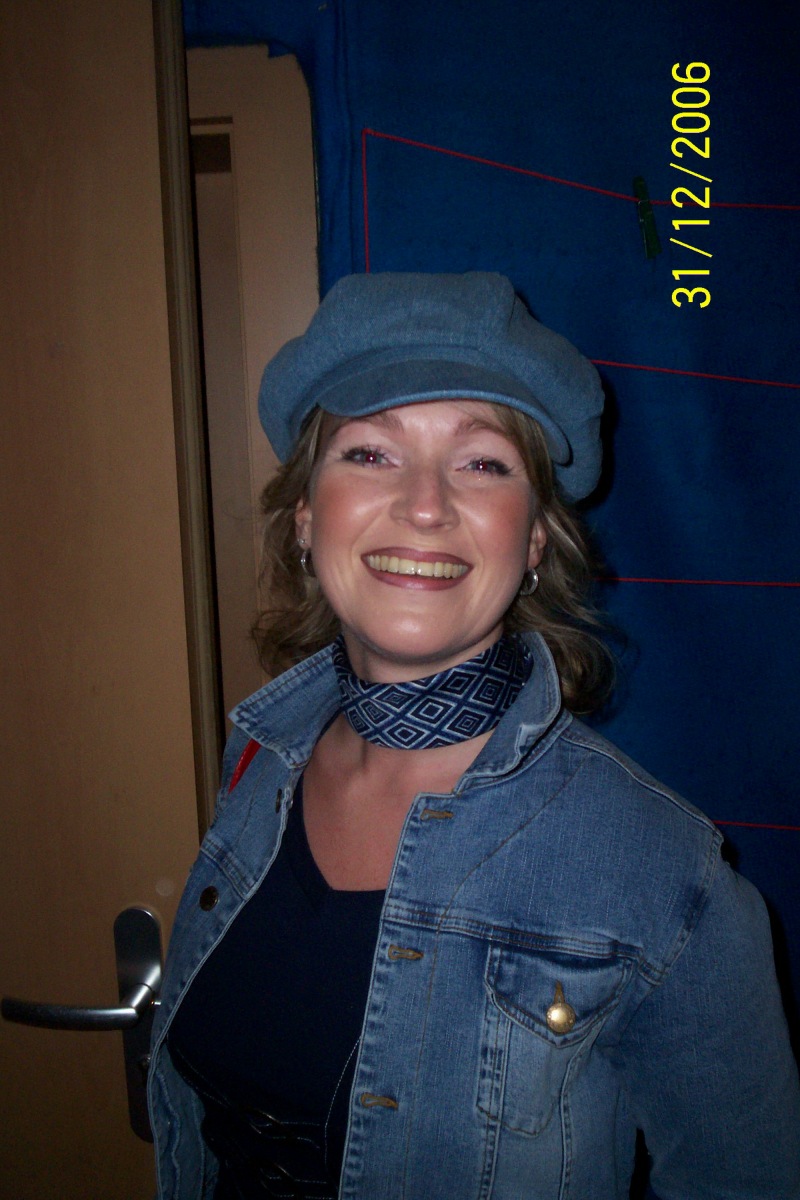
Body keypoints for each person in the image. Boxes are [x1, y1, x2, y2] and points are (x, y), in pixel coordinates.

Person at [148, 272, 800, 1199]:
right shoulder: (258, 762)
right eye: (370, 453)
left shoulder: (666, 880)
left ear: (534, 540)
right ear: (305, 518)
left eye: (483, 463)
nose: (425, 505)